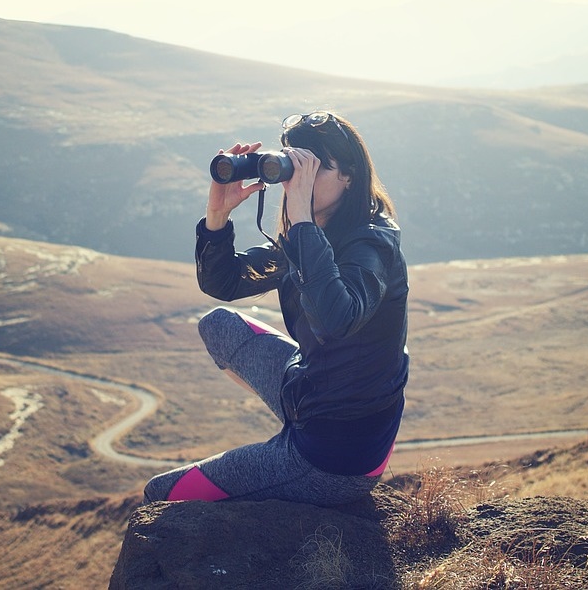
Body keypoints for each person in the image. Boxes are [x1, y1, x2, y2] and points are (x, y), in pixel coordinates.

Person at [143, 110, 409, 506]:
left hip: (337, 455)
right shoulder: (316, 231)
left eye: (315, 169)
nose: (297, 182)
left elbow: (338, 320)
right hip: (313, 390)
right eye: (293, 167)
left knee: (161, 494)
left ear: (349, 176)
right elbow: (225, 283)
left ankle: (289, 458)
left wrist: (301, 218)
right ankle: (291, 432)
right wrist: (217, 216)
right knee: (218, 325)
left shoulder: (370, 245)